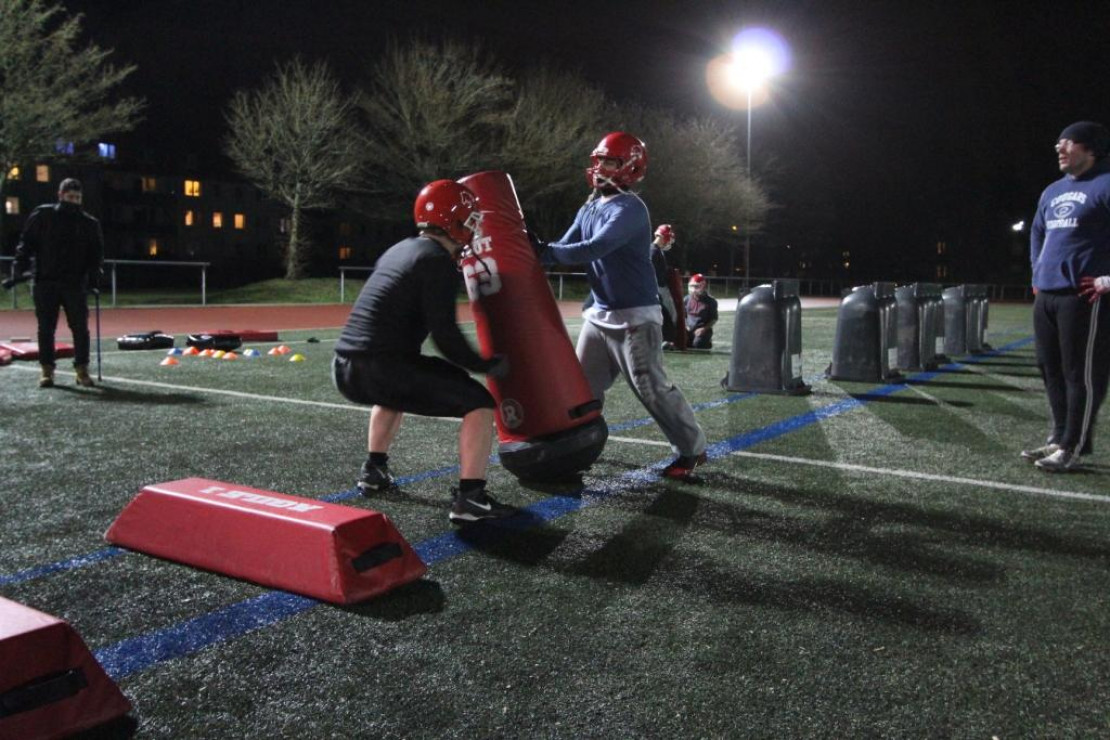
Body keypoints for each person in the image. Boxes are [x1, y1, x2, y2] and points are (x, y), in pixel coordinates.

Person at [332, 179, 516, 522]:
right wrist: (484, 365)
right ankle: (471, 498)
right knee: (479, 404)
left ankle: (374, 470)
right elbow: (445, 336)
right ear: (455, 220)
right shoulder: (434, 260)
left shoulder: (399, 249)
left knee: (393, 393)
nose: (473, 228)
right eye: (470, 220)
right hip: (383, 367)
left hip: (346, 367)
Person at [540, 132, 708, 481]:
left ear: (631, 167)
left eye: (610, 161)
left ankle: (692, 449)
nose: (600, 167)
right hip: (599, 313)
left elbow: (592, 248)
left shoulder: (631, 208)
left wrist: (542, 250)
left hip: (634, 315)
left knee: (651, 388)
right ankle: (579, 448)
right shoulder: (590, 205)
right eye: (598, 159)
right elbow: (566, 243)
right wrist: (533, 250)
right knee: (581, 388)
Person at [1024, 121, 1110, 472]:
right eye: (1058, 143)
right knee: (1050, 369)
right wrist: (1036, 273)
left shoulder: (1106, 184)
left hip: (1083, 295)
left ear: (1089, 148)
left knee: (1080, 374)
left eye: (1068, 143)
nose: (1059, 149)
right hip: (1047, 294)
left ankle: (1073, 446)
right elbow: (1037, 233)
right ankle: (1059, 437)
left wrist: (1108, 279)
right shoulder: (1051, 191)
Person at [12, 178, 104, 388]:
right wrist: (20, 266)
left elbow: (96, 254)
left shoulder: (89, 223)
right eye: (70, 197)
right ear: (60, 195)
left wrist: (95, 276)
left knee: (80, 328)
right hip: (46, 281)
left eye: (78, 198)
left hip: (75, 284)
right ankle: (47, 371)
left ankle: (82, 369)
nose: (74, 201)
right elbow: (26, 243)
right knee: (46, 328)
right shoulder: (43, 215)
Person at [652, 224, 679, 348]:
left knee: (669, 314)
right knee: (668, 314)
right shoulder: (653, 251)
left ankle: (665, 339)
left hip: (659, 287)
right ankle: (665, 340)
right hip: (657, 288)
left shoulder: (656, 250)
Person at [684, 274, 719, 350]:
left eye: (696, 286)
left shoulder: (711, 301)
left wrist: (704, 329)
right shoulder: (686, 299)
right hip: (688, 329)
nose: (693, 289)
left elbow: (714, 319)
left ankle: (707, 341)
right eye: (692, 286)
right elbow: (683, 315)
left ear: (703, 286)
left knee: (698, 345)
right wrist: (685, 325)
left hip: (702, 329)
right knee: (681, 343)